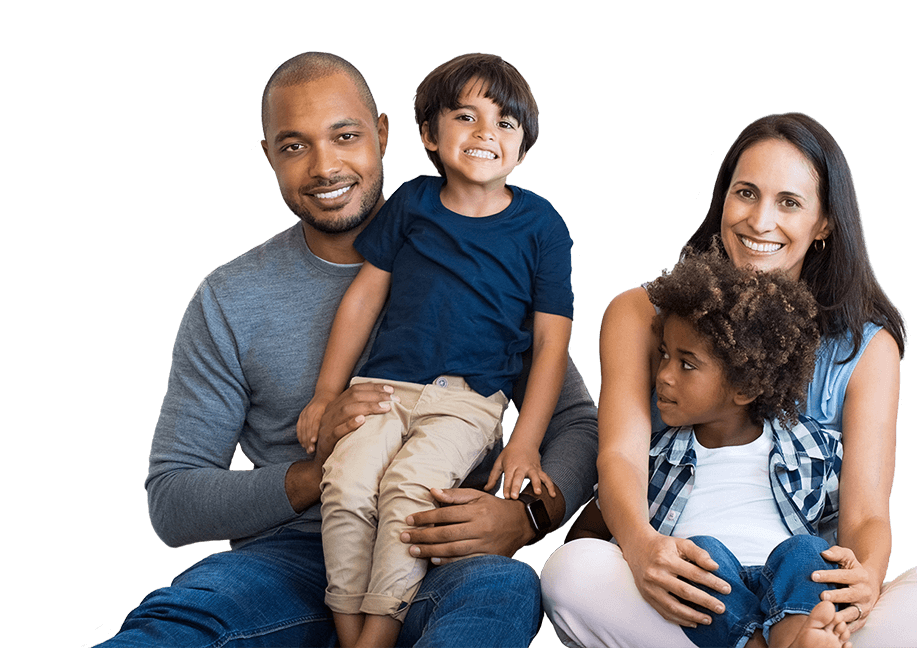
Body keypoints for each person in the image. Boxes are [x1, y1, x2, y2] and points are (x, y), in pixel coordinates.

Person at [101, 52, 597, 648]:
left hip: (437, 546)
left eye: (345, 136)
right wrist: (319, 474)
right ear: (267, 156)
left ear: (384, 134)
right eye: (294, 146)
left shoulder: (488, 252)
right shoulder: (228, 298)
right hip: (287, 557)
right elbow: (172, 502)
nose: (325, 166)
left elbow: (576, 420)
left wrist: (525, 518)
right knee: (177, 621)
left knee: (502, 592)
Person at [541, 112, 917, 647]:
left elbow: (867, 512)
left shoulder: (866, 347)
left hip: (802, 590)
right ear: (722, 198)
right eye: (746, 193)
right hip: (686, 585)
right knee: (571, 571)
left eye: (789, 202)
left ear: (825, 222)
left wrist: (865, 580)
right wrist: (641, 550)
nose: (759, 221)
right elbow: (618, 456)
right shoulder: (640, 312)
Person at [294, 53, 574, 648]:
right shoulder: (412, 203)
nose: (484, 134)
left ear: (522, 149)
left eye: (505, 123)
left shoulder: (541, 226)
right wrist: (326, 394)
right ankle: (351, 632)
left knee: (408, 489)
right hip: (385, 390)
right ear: (428, 133)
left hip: (467, 403)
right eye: (466, 116)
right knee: (344, 482)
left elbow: (552, 341)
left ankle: (379, 630)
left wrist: (525, 440)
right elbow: (363, 300)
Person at [565, 245, 854, 648]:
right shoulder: (653, 457)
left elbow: (852, 523)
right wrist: (606, 567)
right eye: (663, 355)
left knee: (808, 551)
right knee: (700, 553)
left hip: (783, 586)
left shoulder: (811, 447)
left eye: (686, 364)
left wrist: (856, 564)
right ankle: (757, 642)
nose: (663, 375)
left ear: (747, 387)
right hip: (707, 596)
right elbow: (591, 529)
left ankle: (796, 634)